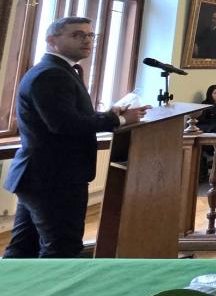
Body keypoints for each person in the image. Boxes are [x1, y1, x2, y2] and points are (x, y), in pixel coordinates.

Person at [3, 16, 148, 258]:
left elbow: (71, 116)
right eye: (77, 35)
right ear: (51, 40)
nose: (87, 41)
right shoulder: (52, 74)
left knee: (23, 248)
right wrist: (120, 120)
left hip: (41, 176)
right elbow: (64, 124)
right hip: (54, 178)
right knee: (61, 250)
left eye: (91, 35)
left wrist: (109, 114)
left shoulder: (58, 70)